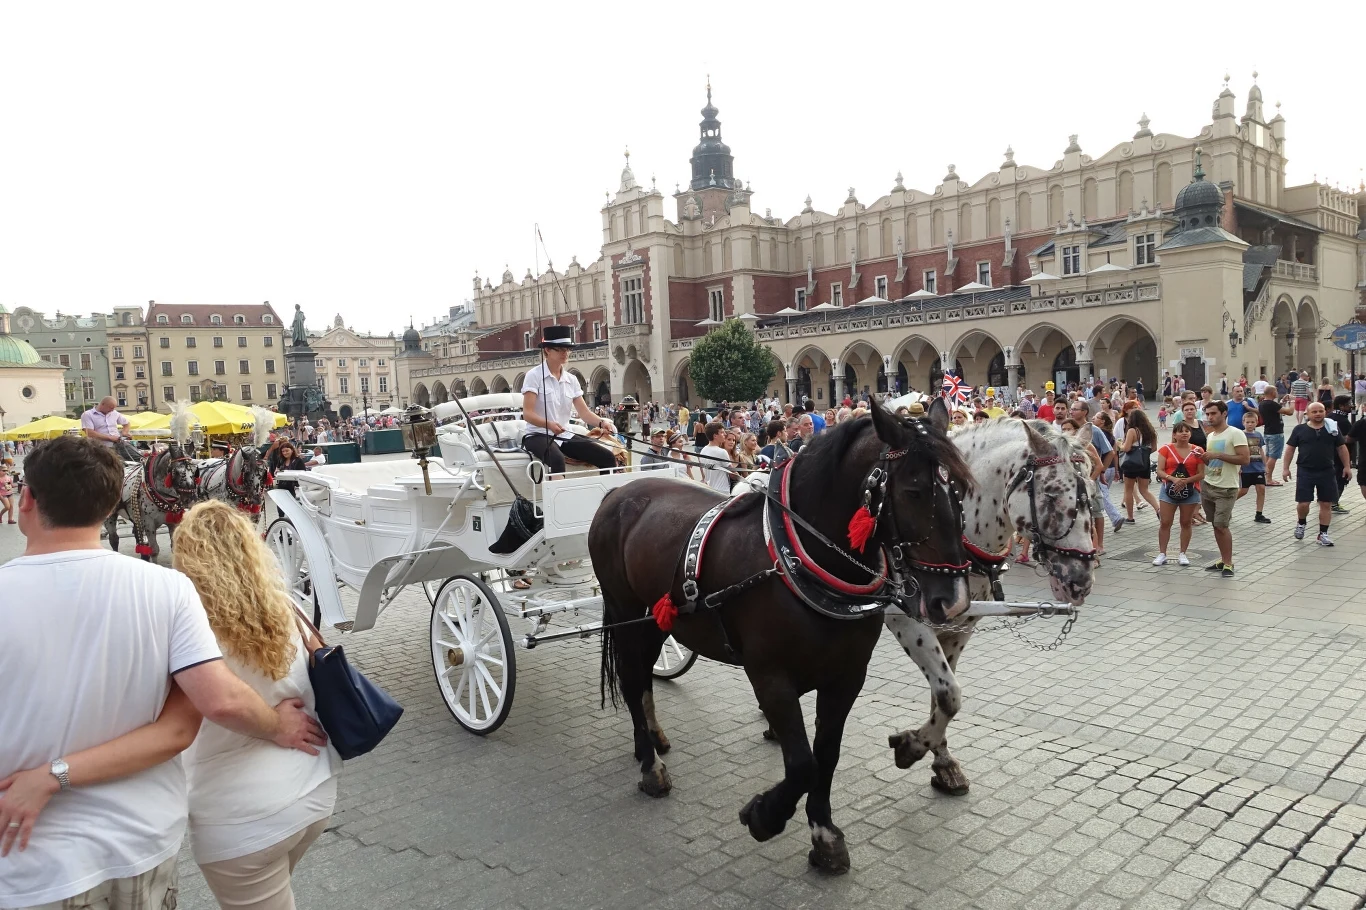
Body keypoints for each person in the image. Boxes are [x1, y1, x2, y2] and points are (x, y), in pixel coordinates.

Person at [0, 437, 324, 910]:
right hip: (141, 840)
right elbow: (185, 724)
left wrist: (50, 776)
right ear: (113, 501)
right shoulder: (167, 588)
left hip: (28, 859)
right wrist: (277, 725)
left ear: (26, 499)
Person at [171, 502, 342, 909]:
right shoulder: (285, 605)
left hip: (242, 816)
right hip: (313, 788)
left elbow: (221, 704)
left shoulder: (189, 627)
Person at [521, 326, 618, 475]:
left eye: (567, 349)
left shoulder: (571, 380)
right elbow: (527, 414)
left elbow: (584, 413)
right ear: (547, 350)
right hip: (537, 435)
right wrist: (549, 424)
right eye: (560, 349)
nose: (565, 353)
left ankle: (608, 490)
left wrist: (602, 422)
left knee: (607, 457)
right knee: (557, 460)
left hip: (564, 435)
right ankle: (558, 491)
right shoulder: (534, 376)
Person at [1283, 401, 1351, 547]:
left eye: (1321, 411)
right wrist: (1285, 468)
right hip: (1305, 470)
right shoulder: (1300, 429)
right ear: (1307, 414)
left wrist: (1347, 466)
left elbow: (1341, 448)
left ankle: (1323, 534)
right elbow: (1290, 449)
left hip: (1327, 471)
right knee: (1304, 503)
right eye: (1314, 412)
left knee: (1326, 503)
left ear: (1325, 412)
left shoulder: (1332, 428)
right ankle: (1301, 523)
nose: (1318, 414)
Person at [1199, 400, 1250, 577]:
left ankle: (1228, 563)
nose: (1210, 417)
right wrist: (1203, 458)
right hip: (1208, 484)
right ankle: (1222, 559)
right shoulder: (1211, 435)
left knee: (1222, 525)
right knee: (1215, 525)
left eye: (1213, 413)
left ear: (1224, 413)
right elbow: (1212, 462)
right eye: (1207, 414)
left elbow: (1245, 459)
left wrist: (1218, 454)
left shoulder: (1235, 433)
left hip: (1227, 487)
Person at [1152, 421, 1205, 567]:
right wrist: (1173, 479)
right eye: (1180, 431)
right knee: (1165, 522)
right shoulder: (1166, 449)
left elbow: (1201, 474)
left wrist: (1186, 481)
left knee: (1186, 522)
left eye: (1187, 431)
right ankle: (1162, 553)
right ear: (1174, 434)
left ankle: (1183, 553)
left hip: (1190, 491)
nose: (1184, 434)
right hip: (1168, 490)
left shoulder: (1197, 450)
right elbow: (1160, 470)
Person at [1117, 408, 1160, 521]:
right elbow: (1154, 448)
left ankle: (1130, 517)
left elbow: (1126, 448)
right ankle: (1158, 510)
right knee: (1144, 490)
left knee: (1128, 489)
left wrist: (1120, 445)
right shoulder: (1151, 431)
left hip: (1131, 463)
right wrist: (1143, 454)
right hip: (1145, 463)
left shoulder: (1132, 431)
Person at [1236, 409, 1272, 524]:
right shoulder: (1240, 435)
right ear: (1243, 422)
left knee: (1261, 489)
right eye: (1247, 422)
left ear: (1256, 422)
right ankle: (1227, 506)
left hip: (1258, 467)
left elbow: (1260, 450)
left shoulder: (1258, 435)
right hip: (1246, 468)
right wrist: (1238, 466)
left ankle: (1259, 514)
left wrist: (1265, 465)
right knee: (1243, 491)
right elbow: (1237, 451)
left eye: (1252, 422)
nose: (1250, 424)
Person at [80, 396, 140, 461]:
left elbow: (127, 423)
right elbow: (90, 432)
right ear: (102, 404)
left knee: (138, 457)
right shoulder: (88, 415)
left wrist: (124, 432)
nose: (112, 410)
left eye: (114, 408)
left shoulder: (114, 413)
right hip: (102, 446)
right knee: (114, 462)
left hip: (119, 442)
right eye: (111, 408)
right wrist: (110, 438)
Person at [1258, 387, 1294, 486]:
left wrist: (1282, 402)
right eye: (1276, 391)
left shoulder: (1263, 403)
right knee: (1273, 456)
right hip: (1276, 433)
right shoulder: (1271, 404)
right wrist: (1292, 401)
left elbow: (1276, 409)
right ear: (1272, 392)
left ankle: (1264, 477)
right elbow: (1290, 412)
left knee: (1268, 455)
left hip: (1268, 432)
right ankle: (1268, 479)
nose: (1277, 393)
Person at [698, 422, 736, 494]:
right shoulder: (722, 452)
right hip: (722, 491)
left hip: (709, 490)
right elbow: (732, 474)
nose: (725, 434)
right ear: (715, 436)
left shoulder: (703, 451)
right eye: (722, 432)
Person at [0, 458, 15, 524]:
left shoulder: (8, 477)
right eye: (3, 471)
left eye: (6, 470)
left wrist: (19, 484)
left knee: (11, 506)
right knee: (7, 507)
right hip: (3, 494)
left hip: (9, 493)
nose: (5, 472)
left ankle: (10, 519)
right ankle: (0, 515)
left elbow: (11, 485)